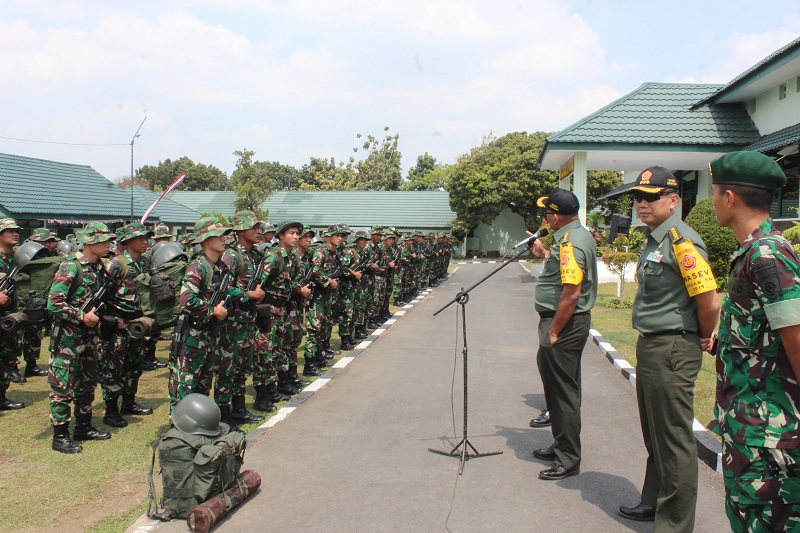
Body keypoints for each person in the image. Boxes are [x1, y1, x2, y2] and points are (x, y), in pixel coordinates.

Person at [616, 167, 720, 530]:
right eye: (638, 197)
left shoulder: (681, 241)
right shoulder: (653, 240)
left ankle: (674, 524)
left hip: (673, 348)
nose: (642, 204)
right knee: (656, 432)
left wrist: (705, 335)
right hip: (653, 347)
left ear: (674, 200)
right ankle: (653, 501)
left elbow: (708, 301)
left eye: (651, 197)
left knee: (673, 439)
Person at [708, 151, 800, 532]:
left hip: (769, 439)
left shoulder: (766, 254)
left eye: (714, 193)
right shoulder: (752, 250)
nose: (711, 202)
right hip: (750, 430)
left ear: (729, 198)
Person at [530, 187, 597, 480]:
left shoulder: (570, 243)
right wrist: (544, 252)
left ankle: (568, 458)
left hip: (563, 323)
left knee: (563, 392)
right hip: (563, 321)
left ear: (555, 216)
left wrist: (555, 331)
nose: (545, 217)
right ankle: (561, 444)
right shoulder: (573, 237)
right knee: (558, 387)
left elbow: (571, 293)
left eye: (547, 213)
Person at [48, 221, 117, 453]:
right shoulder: (71, 267)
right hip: (68, 338)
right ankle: (60, 435)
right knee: (62, 386)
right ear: (89, 241)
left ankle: (84, 426)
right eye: (103, 240)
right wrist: (81, 316)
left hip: (90, 337)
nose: (108, 244)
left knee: (87, 382)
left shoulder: (101, 268)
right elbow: (54, 303)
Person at [168, 217, 233, 411]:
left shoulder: (220, 268)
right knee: (184, 388)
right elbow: (186, 300)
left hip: (209, 336)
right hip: (192, 338)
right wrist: (214, 310)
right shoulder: (197, 267)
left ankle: (196, 430)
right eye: (218, 235)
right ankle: (177, 433)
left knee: (203, 388)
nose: (224, 238)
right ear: (205, 240)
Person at [101, 222, 155, 428]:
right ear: (127, 241)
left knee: (135, 365)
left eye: (146, 238)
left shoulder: (145, 262)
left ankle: (129, 402)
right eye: (140, 238)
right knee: (114, 367)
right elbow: (103, 293)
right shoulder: (116, 264)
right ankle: (111, 410)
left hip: (138, 322)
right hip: (118, 323)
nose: (145, 241)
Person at [216, 211, 265, 427]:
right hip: (231, 322)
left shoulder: (253, 255)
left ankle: (239, 409)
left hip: (247, 321)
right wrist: (248, 295)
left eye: (258, 227)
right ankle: (223, 414)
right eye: (253, 228)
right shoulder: (232, 255)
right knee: (228, 368)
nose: (258, 232)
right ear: (240, 230)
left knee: (242, 367)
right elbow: (224, 286)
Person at [0, 218, 26, 409]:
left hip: (11, 316)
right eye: (10, 231)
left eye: (16, 230)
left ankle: (1, 397)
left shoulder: (16, 258)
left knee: (9, 355)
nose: (15, 233)